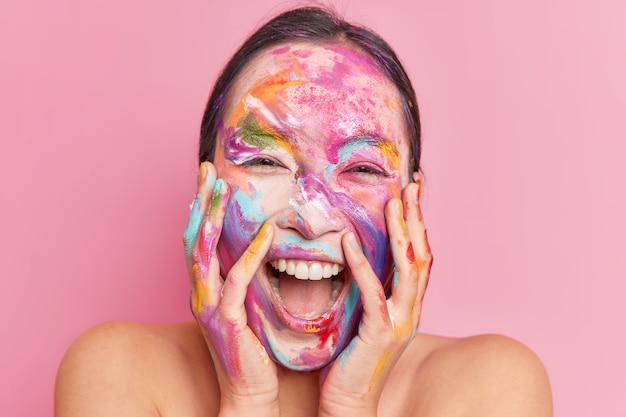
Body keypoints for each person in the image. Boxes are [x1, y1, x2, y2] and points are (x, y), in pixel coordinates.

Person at [55, 7, 552, 417]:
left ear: (413, 206)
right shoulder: (114, 372)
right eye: (267, 160)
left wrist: (354, 405)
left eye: (361, 169)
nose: (311, 219)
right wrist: (246, 402)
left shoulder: (492, 387)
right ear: (206, 190)